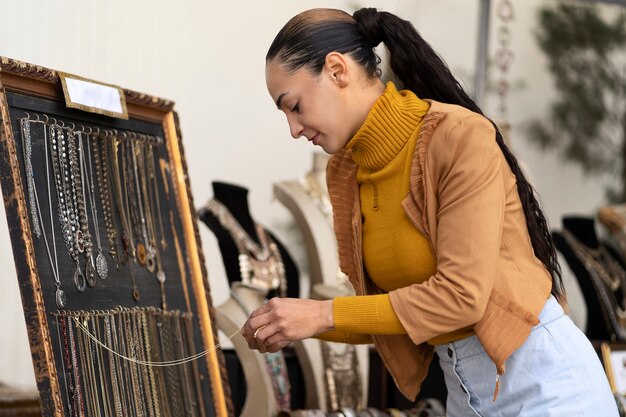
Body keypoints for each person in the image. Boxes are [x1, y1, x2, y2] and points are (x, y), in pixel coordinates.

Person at [241, 7, 618, 416]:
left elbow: (461, 297)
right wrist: (295, 323)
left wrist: (320, 314)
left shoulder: (457, 137)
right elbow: (393, 311)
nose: (293, 129)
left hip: (548, 389)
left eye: (294, 106)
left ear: (337, 70)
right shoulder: (346, 171)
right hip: (465, 399)